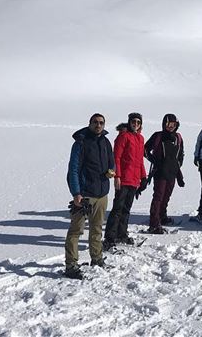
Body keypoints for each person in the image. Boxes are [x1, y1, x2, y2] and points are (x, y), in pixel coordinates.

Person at [65, 113, 115, 279]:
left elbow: (111, 161)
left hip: (102, 194)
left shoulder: (106, 142)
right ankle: (71, 265)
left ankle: (97, 258)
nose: (98, 125)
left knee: (97, 229)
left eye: (101, 123)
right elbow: (73, 169)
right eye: (95, 122)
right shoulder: (81, 143)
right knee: (75, 231)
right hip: (85, 195)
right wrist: (76, 193)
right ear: (89, 124)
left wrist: (111, 171)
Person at [103, 113, 147, 249]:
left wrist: (143, 177)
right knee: (118, 208)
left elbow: (139, 161)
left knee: (126, 209)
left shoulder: (140, 138)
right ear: (129, 122)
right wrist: (117, 177)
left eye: (138, 122)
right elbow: (116, 158)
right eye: (133, 121)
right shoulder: (123, 136)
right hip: (124, 179)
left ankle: (121, 234)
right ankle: (109, 238)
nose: (135, 124)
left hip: (134, 180)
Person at [143, 113, 185, 233]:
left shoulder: (178, 137)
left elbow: (181, 153)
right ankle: (154, 223)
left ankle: (162, 216)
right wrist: (154, 160)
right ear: (164, 124)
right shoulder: (158, 136)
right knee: (158, 197)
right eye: (168, 124)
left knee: (166, 196)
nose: (170, 126)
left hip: (172, 172)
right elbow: (145, 149)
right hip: (160, 172)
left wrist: (178, 165)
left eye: (173, 124)